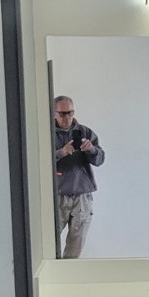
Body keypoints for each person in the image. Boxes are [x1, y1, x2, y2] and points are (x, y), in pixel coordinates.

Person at [54, 95, 105, 257]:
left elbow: (100, 159)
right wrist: (62, 152)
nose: (67, 117)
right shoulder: (45, 133)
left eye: (70, 112)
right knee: (47, 243)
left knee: (75, 246)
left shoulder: (85, 132)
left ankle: (67, 277)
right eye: (62, 113)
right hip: (56, 195)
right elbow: (36, 161)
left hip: (82, 195)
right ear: (54, 113)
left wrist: (91, 149)